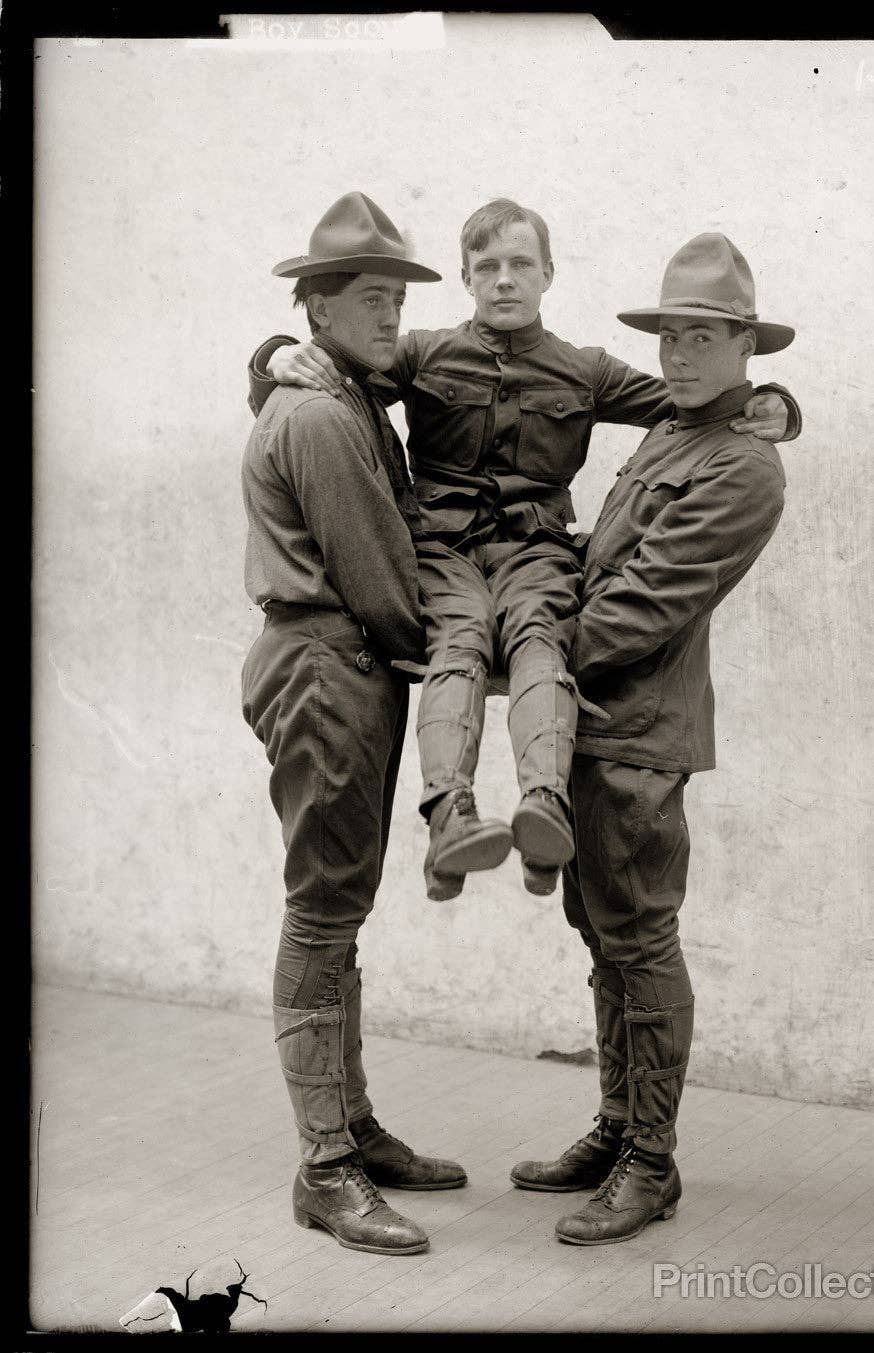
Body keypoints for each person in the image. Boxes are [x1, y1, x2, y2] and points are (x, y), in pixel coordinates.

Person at [247, 200, 802, 902]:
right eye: (487, 267)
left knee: (543, 641)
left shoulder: (586, 371)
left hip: (537, 554)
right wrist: (271, 356)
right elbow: (338, 372)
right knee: (458, 642)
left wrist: (775, 402)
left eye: (520, 264)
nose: (504, 279)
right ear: (465, 278)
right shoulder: (421, 354)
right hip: (444, 554)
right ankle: (450, 815)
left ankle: (546, 808)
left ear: (548, 274)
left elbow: (691, 398)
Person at [509, 232, 795, 1246]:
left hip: (639, 733)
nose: (678, 353)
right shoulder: (672, 430)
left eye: (702, 336)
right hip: (588, 724)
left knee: (639, 936)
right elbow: (606, 558)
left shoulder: (744, 465)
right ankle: (616, 1124)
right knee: (599, 931)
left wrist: (533, 659)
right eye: (669, 335)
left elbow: (642, 604)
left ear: (747, 344)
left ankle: (652, 1160)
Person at [240, 191, 467, 1258]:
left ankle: (354, 1128)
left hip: (347, 670)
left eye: (398, 299)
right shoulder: (324, 416)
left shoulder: (347, 393)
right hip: (328, 669)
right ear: (319, 309)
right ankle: (325, 1167)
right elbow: (381, 580)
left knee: (340, 909)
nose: (392, 316)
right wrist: (467, 657)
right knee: (322, 914)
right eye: (372, 298)